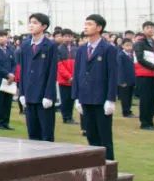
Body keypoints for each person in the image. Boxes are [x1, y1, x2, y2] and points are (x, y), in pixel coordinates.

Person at [74, 14, 118, 160]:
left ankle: (109, 168)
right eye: (85, 23)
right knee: (91, 135)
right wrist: (77, 97)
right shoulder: (81, 50)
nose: (85, 26)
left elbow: (112, 75)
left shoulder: (108, 49)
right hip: (85, 98)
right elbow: (77, 73)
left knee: (104, 136)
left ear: (99, 28)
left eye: (90, 24)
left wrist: (110, 99)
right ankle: (95, 167)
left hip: (101, 98)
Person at [17, 13, 58, 142]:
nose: (31, 25)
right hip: (29, 94)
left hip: (43, 95)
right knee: (32, 133)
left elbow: (52, 72)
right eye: (30, 22)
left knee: (46, 133)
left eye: (35, 22)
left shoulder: (50, 46)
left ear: (44, 26)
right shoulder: (25, 45)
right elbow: (23, 70)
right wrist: (22, 93)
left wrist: (49, 95)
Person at [132, 21, 154, 130]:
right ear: (143, 29)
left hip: (153, 75)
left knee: (153, 99)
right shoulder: (140, 43)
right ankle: (144, 123)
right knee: (146, 100)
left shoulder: (153, 43)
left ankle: (151, 122)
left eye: (152, 27)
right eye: (148, 27)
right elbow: (140, 59)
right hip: (143, 75)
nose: (150, 29)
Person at [0, 30, 17, 131]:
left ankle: (6, 122)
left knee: (8, 102)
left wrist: (12, 74)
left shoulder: (10, 49)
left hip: (9, 81)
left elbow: (14, 63)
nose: (2, 38)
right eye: (0, 36)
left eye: (4, 36)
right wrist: (7, 74)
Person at [57, 30, 77, 124]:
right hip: (64, 80)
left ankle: (70, 116)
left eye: (70, 36)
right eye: (66, 36)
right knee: (65, 99)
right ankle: (65, 117)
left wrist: (74, 76)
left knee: (71, 99)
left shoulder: (75, 48)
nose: (68, 38)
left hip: (74, 79)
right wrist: (68, 77)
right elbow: (59, 65)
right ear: (62, 37)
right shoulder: (59, 49)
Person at [117, 38, 137, 118]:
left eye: (130, 45)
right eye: (127, 45)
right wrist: (121, 81)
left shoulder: (132, 55)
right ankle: (125, 112)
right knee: (125, 97)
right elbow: (119, 69)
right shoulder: (120, 55)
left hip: (131, 79)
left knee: (129, 96)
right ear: (122, 46)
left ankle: (129, 110)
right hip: (124, 80)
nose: (129, 47)